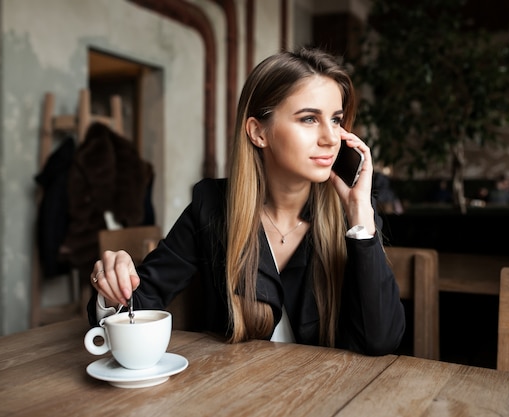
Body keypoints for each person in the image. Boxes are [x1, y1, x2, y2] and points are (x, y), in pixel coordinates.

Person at [88, 47, 405, 356]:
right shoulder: (212, 204)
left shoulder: (352, 214)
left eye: (335, 120)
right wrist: (113, 288)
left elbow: (381, 341)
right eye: (309, 119)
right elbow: (138, 304)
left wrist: (361, 218)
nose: (331, 137)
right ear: (258, 132)